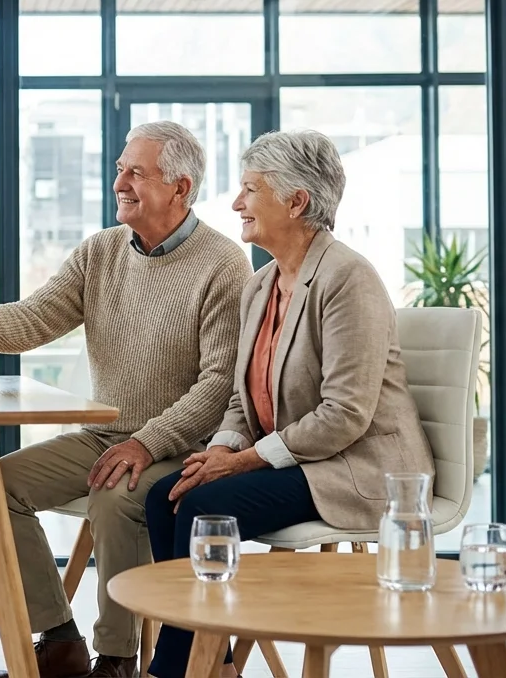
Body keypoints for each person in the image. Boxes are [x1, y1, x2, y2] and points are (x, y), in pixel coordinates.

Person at [0, 121, 252, 678]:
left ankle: (118, 659)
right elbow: (31, 320)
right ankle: (58, 642)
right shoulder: (101, 252)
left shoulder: (223, 264)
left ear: (181, 187)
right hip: (105, 437)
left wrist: (148, 444)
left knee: (114, 495)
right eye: (121, 168)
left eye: (137, 172)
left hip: (182, 447)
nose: (120, 181)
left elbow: (219, 384)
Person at [142, 129, 436, 678]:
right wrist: (224, 448)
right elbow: (240, 395)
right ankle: (216, 665)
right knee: (166, 496)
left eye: (250, 190)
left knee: (206, 509)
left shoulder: (349, 279)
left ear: (296, 201)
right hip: (301, 457)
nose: (235, 204)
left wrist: (246, 459)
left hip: (357, 467)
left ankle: (177, 670)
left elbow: (346, 413)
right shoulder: (260, 285)